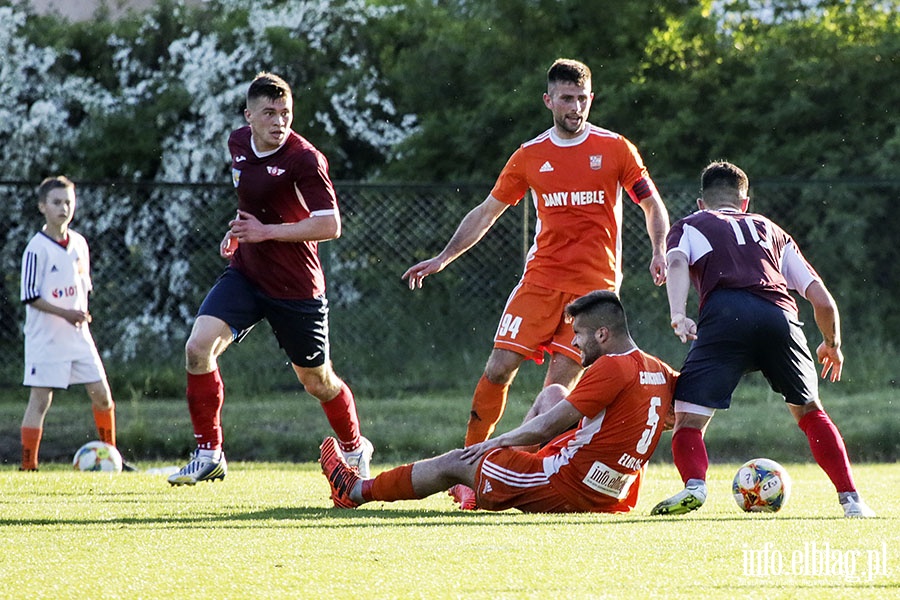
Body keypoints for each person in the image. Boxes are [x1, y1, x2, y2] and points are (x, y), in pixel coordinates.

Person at [402, 58, 669, 508]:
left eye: (583, 98)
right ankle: (469, 466)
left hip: (592, 292)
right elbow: (487, 211)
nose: (575, 106)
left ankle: (518, 480)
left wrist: (660, 249)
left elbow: (651, 204)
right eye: (567, 98)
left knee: (558, 395)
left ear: (592, 99)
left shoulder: (616, 148)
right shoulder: (530, 155)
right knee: (497, 370)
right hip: (540, 281)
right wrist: (445, 257)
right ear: (549, 100)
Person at [167, 72, 373, 485]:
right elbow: (252, 206)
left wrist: (267, 232)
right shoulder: (238, 144)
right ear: (249, 116)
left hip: (296, 287)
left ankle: (354, 447)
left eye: (285, 113)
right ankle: (209, 452)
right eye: (269, 113)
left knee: (317, 381)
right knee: (197, 347)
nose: (279, 121)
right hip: (246, 274)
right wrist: (238, 232)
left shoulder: (305, 159)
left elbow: (331, 225)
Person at [650, 161, 875, 518]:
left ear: (700, 203)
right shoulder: (771, 229)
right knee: (810, 412)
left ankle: (694, 485)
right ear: (745, 203)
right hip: (779, 316)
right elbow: (823, 300)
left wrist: (678, 313)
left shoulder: (690, 225)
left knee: (688, 419)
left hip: (725, 315)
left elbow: (676, 263)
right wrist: (832, 343)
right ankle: (852, 501)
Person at [320, 290, 677, 514]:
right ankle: (498, 477)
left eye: (579, 335)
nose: (576, 344)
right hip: (615, 493)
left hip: (568, 488)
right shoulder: (658, 368)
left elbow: (550, 425)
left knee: (457, 461)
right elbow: (678, 416)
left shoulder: (612, 368)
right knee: (551, 393)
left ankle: (354, 490)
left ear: (602, 334)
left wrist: (493, 444)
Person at [19, 176, 131, 471]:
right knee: (41, 401)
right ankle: (28, 465)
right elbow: (30, 296)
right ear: (42, 206)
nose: (63, 208)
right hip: (46, 338)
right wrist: (66, 313)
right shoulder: (36, 249)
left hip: (78, 336)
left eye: (68, 201)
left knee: (103, 395)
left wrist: (80, 312)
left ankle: (112, 456)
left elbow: (82, 286)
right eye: (56, 202)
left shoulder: (80, 243)